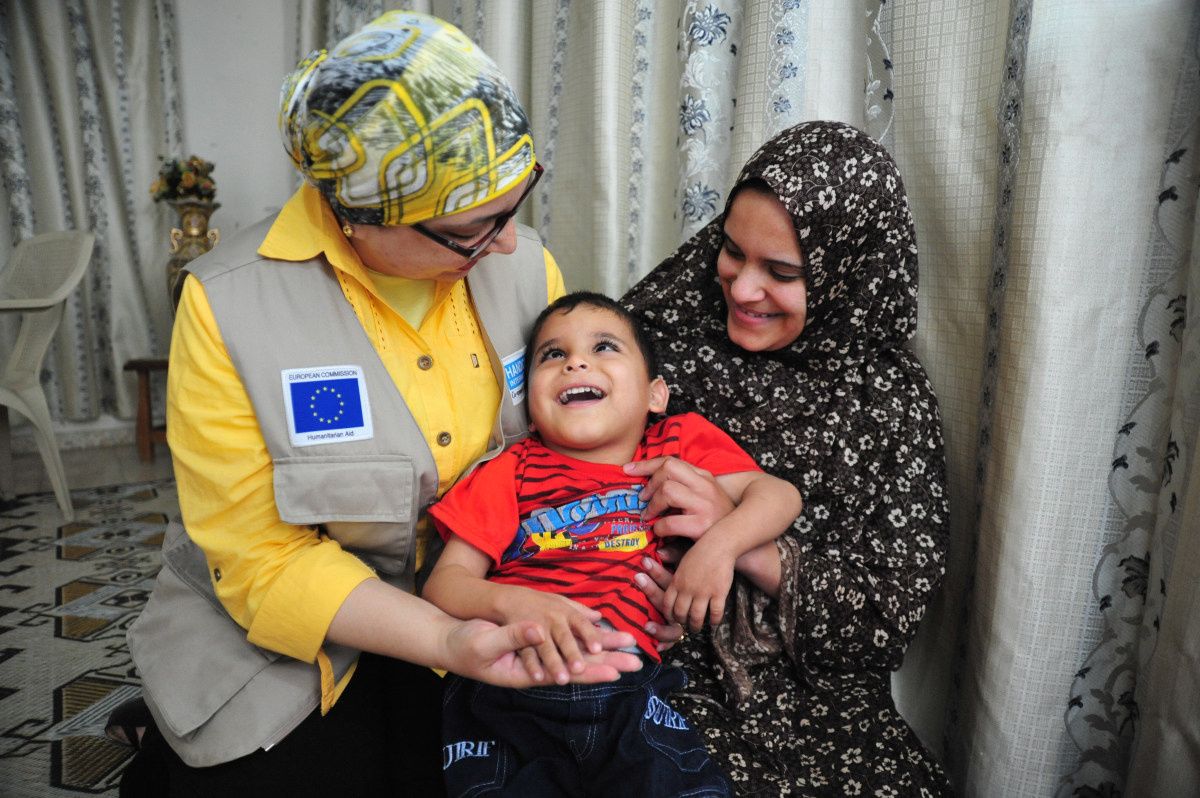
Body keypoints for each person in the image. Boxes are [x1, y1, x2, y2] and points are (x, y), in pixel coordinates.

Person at [117, 13, 640, 796]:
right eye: (476, 226)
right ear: (359, 218)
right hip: (295, 644)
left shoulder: (527, 267)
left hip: (487, 594)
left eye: (517, 201)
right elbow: (261, 560)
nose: (507, 244)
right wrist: (448, 639)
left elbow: (572, 442)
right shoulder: (227, 304)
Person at [622, 121, 953, 795]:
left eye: (782, 273)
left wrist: (738, 539)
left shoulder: (888, 400)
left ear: (844, 277)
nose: (741, 290)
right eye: (731, 252)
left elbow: (885, 620)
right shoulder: (655, 333)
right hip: (637, 654)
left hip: (811, 700)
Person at [423, 291, 802, 796]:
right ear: (529, 403)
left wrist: (719, 547)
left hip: (627, 684)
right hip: (506, 682)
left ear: (655, 394)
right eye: (552, 355)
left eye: (605, 347)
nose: (576, 360)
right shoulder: (510, 470)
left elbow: (779, 495)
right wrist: (517, 602)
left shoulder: (676, 443)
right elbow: (444, 585)